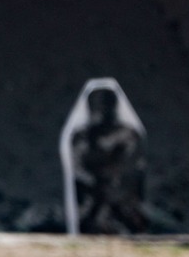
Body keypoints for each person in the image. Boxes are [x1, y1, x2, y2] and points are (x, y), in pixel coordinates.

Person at [60, 79, 149, 235]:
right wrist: (94, 179)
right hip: (91, 197)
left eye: (106, 105)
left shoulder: (129, 135)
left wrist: (114, 176)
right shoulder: (81, 137)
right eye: (98, 105)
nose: (102, 110)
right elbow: (76, 165)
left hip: (120, 197)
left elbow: (134, 163)